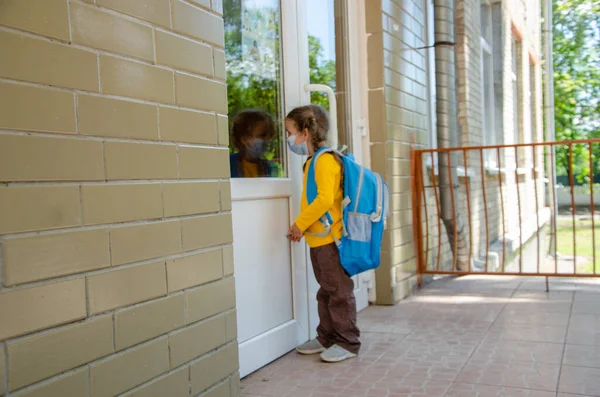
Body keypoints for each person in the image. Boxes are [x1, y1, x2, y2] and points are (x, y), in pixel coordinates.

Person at [285, 105, 360, 363]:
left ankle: (348, 342)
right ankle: (326, 337)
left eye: (290, 132)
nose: (289, 139)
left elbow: (323, 200)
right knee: (326, 290)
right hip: (319, 240)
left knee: (338, 291)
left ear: (305, 132)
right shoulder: (313, 161)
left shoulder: (325, 160)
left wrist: (299, 225)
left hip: (331, 240)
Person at [229, 109, 279, 178]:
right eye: (262, 135)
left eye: (270, 136)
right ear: (244, 139)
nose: (268, 140)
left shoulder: (270, 168)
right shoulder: (228, 164)